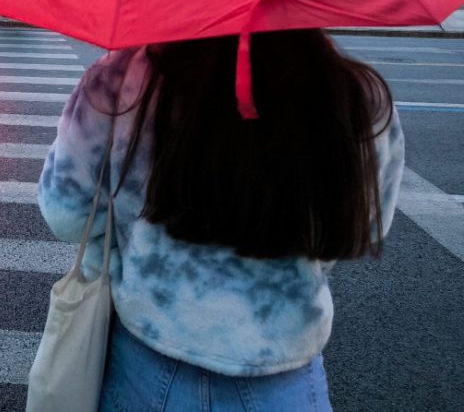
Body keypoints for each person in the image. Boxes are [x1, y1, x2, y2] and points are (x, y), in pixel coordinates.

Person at [38, 32, 404, 411]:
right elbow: (366, 230)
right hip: (282, 369)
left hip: (146, 359)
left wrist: (133, 235)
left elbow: (65, 213)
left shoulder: (119, 77)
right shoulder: (357, 95)